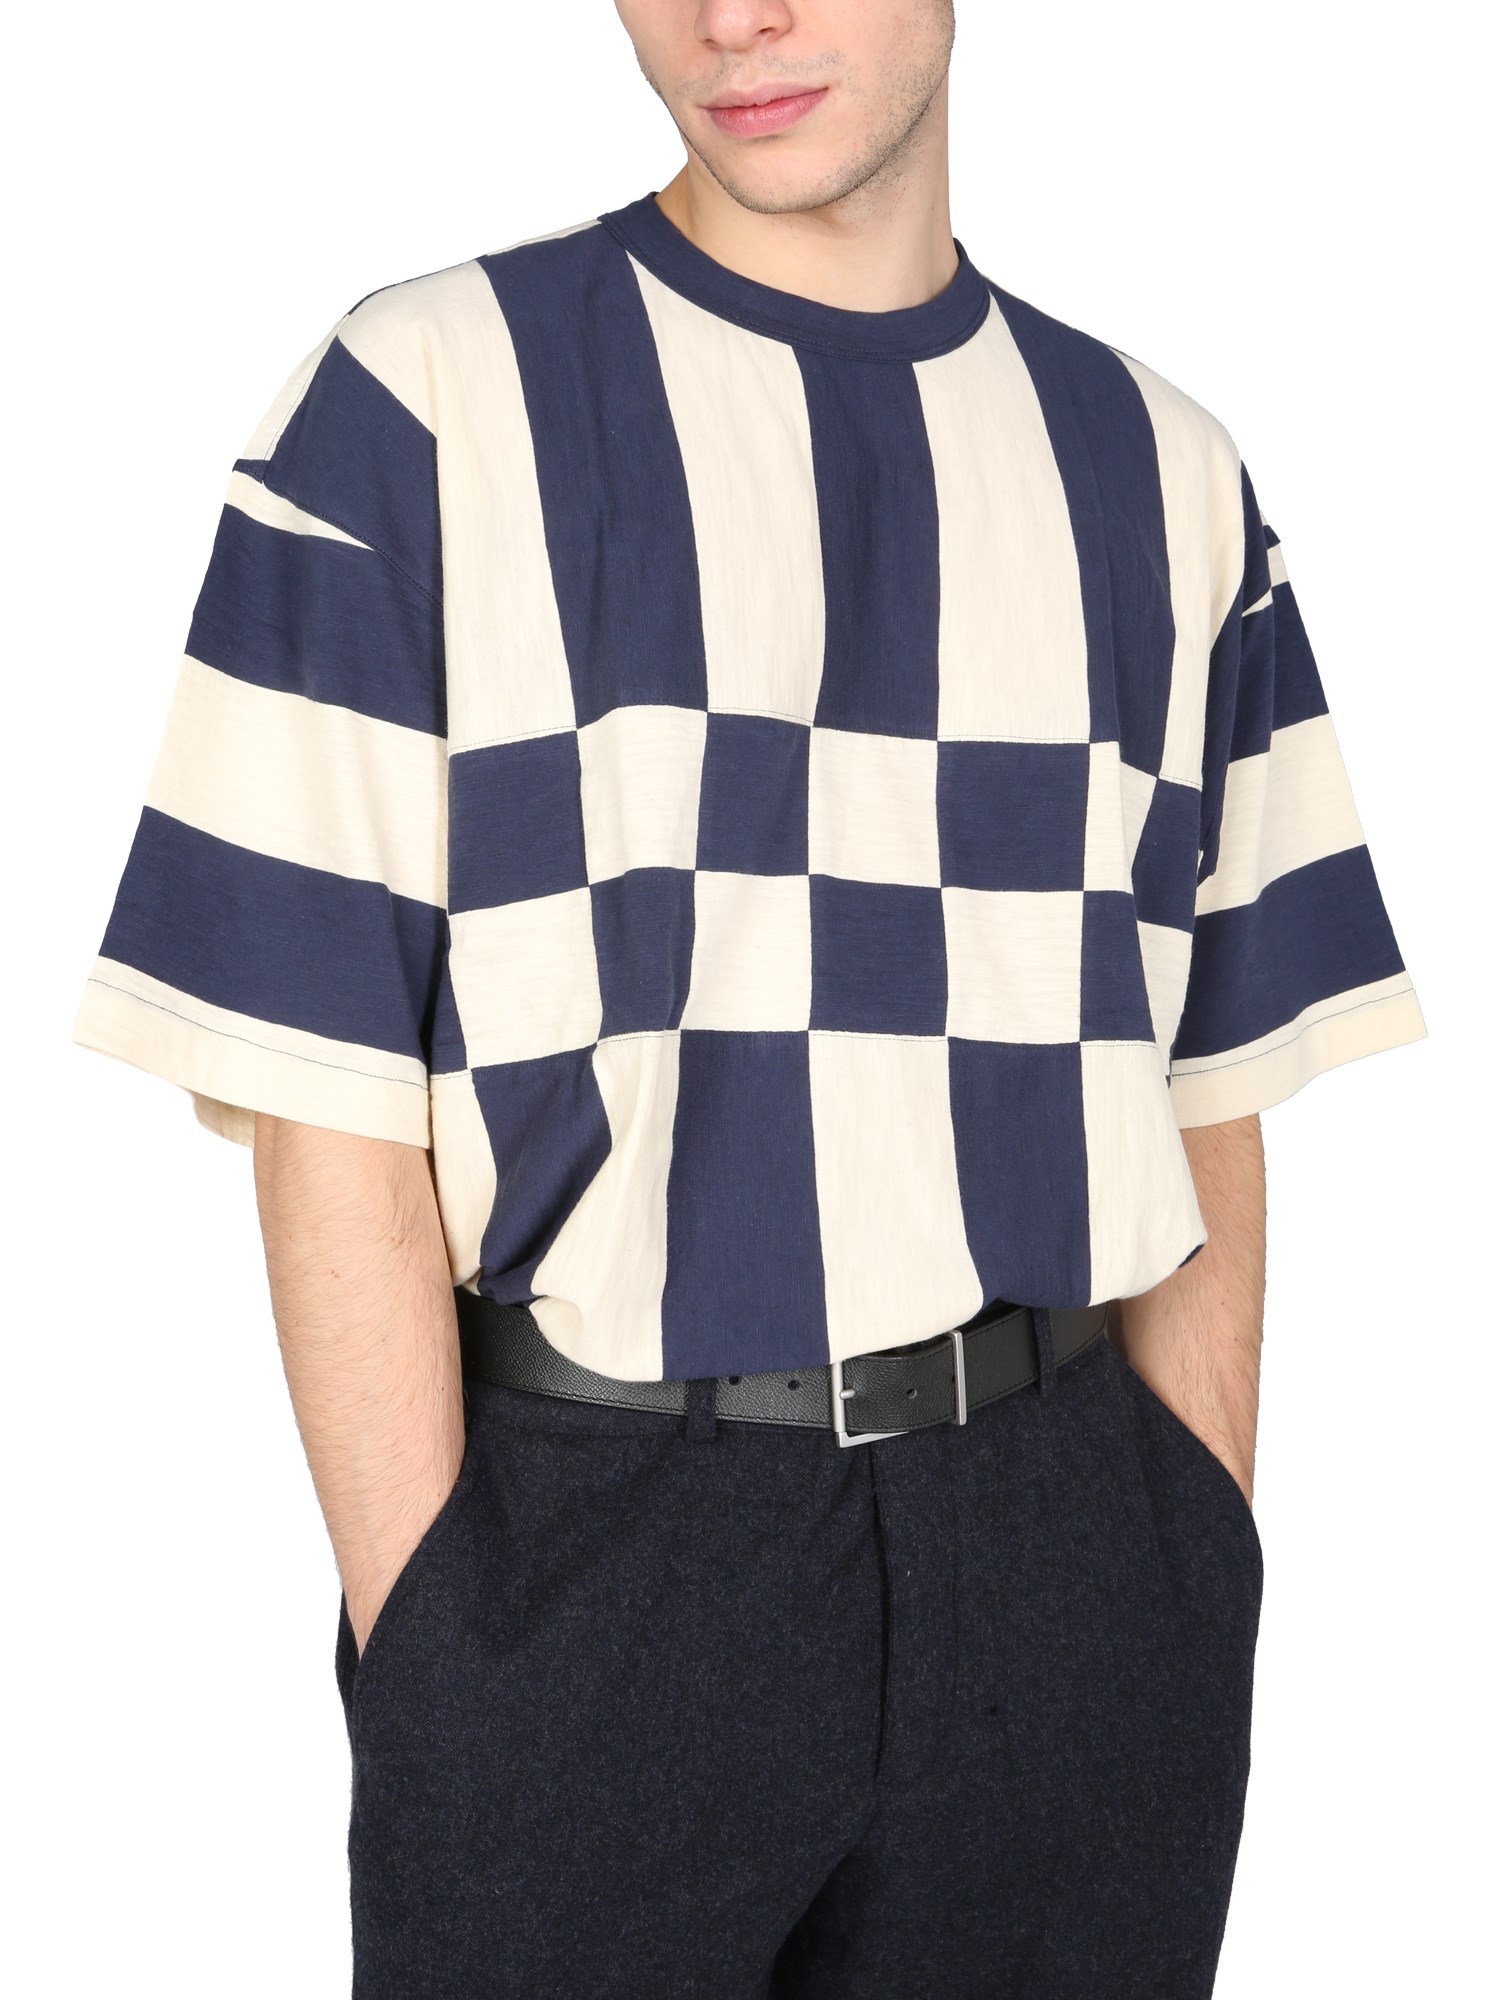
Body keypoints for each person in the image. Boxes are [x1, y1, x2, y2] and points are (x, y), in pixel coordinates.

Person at [70, 2, 1427, 1993]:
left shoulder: (1165, 468)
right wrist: (436, 1631)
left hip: (1074, 1558)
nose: (733, 17)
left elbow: (1207, 1060)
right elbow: (317, 1082)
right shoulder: (422, 402)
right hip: (590, 1552)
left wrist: (1190, 1540)